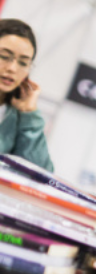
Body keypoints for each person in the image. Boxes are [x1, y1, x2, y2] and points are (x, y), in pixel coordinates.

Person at [0, 19, 52, 171]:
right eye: (4, 56)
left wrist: (29, 114)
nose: (12, 68)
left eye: (23, 63)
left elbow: (41, 173)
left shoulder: (17, 117)